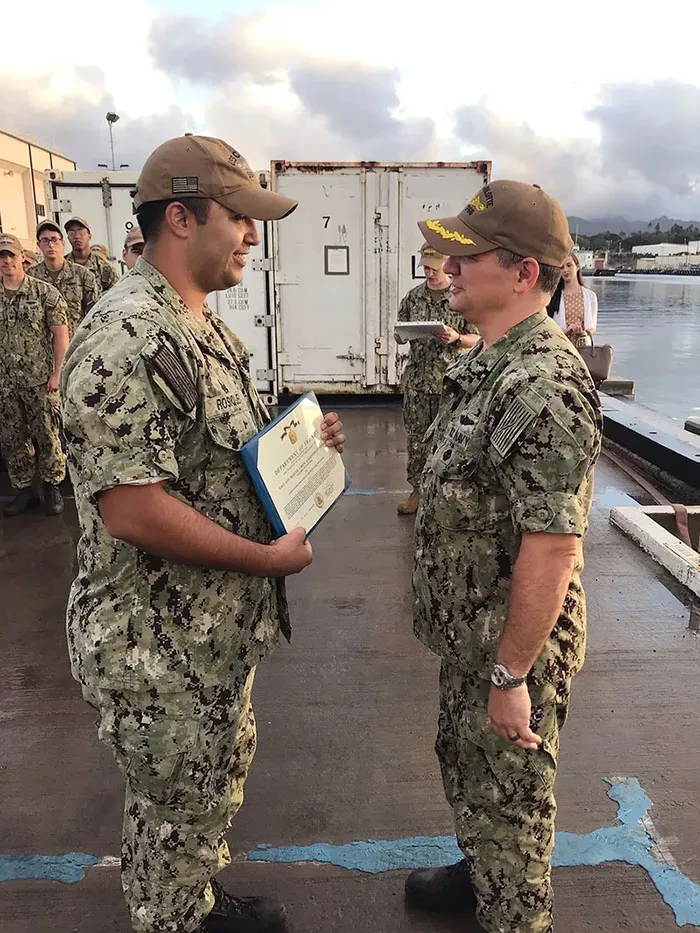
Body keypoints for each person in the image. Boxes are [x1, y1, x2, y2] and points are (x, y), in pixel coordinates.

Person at [60, 134, 346, 933]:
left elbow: (222, 456)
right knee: (173, 808)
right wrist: (266, 557)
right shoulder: (129, 337)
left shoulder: (198, 324)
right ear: (180, 220)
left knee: (206, 792)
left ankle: (200, 895)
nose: (253, 235)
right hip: (157, 644)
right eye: (240, 218)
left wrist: (302, 447)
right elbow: (133, 508)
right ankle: (175, 915)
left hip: (209, 632)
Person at [404, 181, 603, 933]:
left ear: (525, 274)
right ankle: (477, 864)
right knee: (468, 767)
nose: (449, 266)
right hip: (473, 634)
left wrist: (511, 674)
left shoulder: (542, 382)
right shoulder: (491, 363)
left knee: (512, 805)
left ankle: (511, 907)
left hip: (509, 647)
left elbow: (552, 548)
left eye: (467, 253)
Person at [395, 243, 480, 515]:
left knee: (453, 441)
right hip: (418, 383)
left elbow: (478, 338)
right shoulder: (413, 298)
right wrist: (402, 335)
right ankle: (418, 491)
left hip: (450, 384)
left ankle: (446, 495)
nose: (429, 273)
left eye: (434, 268)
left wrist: (456, 338)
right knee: (417, 440)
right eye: (425, 268)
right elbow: (399, 333)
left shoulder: (462, 297)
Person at [0, 232, 70, 516]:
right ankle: (23, 489)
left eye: (10, 256)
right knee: (12, 438)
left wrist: (57, 373)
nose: (6, 262)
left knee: (47, 434)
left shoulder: (44, 293)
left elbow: (60, 336)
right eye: (1, 257)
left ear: (23, 259)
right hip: (4, 383)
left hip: (39, 379)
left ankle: (53, 486)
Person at [31, 220, 99, 337]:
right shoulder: (31, 277)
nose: (50, 245)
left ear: (63, 243)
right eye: (45, 240)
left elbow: (95, 314)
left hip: (76, 345)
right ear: (38, 245)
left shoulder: (83, 275)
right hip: (43, 349)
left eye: (54, 239)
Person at [547, 252, 598, 347]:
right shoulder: (553, 296)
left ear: (577, 267)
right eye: (562, 267)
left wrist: (583, 333)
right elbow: (549, 327)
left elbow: (592, 327)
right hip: (561, 347)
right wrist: (567, 330)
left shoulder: (590, 296)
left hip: (583, 347)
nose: (565, 270)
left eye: (569, 265)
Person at [65, 216, 120, 294]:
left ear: (89, 236)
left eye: (81, 232)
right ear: (68, 238)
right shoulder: (62, 265)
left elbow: (116, 295)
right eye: (72, 233)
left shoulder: (104, 267)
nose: (76, 236)